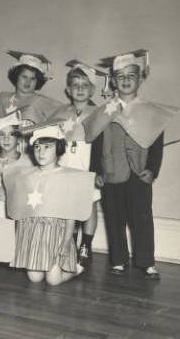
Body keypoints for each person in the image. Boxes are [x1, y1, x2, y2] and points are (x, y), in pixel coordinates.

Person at [82, 50, 179, 279]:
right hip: (111, 172)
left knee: (142, 218)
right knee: (114, 218)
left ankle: (146, 261)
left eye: (131, 75)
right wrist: (96, 170)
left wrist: (153, 170)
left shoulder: (150, 111)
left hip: (139, 173)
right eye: (120, 76)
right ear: (113, 81)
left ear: (140, 79)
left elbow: (156, 144)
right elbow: (96, 142)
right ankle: (118, 260)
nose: (125, 80)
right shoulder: (105, 111)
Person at [3, 123, 96, 285]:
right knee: (34, 278)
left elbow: (71, 214)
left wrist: (67, 242)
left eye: (47, 147)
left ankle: (78, 268)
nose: (41, 152)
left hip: (56, 234)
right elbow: (20, 209)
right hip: (33, 232)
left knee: (53, 281)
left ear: (58, 148)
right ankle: (43, 265)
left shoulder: (66, 177)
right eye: (37, 147)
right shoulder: (28, 176)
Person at [54, 60, 107, 267]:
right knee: (68, 204)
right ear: (68, 89)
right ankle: (68, 242)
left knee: (89, 204)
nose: (79, 89)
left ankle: (86, 244)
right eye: (75, 85)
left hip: (87, 160)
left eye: (85, 85)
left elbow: (102, 145)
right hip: (67, 160)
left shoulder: (98, 114)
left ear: (93, 89)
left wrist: (98, 170)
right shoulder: (61, 113)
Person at [0, 50, 65, 125]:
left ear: (38, 81)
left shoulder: (42, 102)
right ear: (16, 77)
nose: (28, 82)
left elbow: (67, 115)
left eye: (33, 78)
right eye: (24, 77)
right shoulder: (2, 98)